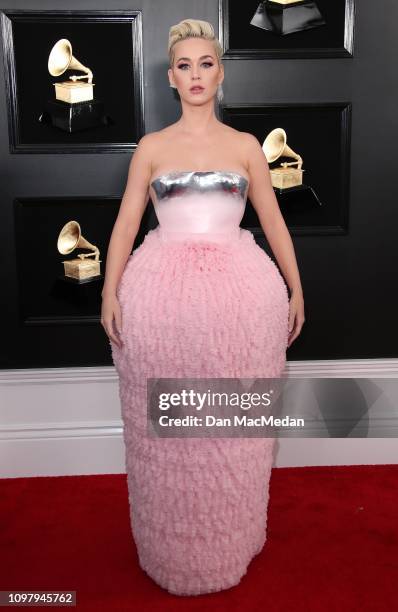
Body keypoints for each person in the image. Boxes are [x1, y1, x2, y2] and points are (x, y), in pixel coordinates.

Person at [101, 18, 305, 596]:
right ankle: (170, 544)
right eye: (185, 66)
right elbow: (123, 228)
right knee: (166, 428)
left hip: (240, 299)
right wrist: (108, 293)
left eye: (206, 63)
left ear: (221, 72)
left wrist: (296, 288)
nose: (196, 74)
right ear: (171, 77)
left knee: (233, 426)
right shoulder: (152, 148)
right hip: (160, 298)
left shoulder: (244, 148)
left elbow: (273, 222)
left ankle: (232, 534)